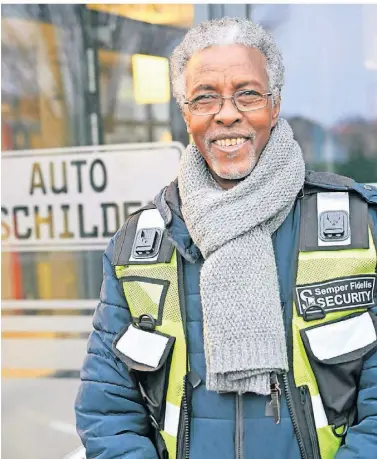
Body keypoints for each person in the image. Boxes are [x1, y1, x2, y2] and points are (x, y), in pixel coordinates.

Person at [75, 17, 377, 459]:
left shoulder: (357, 228)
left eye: (248, 93)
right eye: (205, 98)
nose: (227, 112)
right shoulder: (139, 246)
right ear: (186, 114)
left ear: (275, 106)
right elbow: (107, 413)